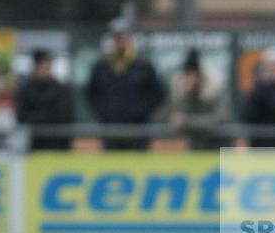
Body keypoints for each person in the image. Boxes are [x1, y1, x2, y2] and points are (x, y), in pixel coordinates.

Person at [86, 18, 165, 150]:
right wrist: (104, 113)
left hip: (138, 130)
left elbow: (157, 94)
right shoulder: (101, 66)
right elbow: (91, 93)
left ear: (130, 39)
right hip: (110, 129)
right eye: (117, 38)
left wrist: (141, 112)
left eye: (123, 37)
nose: (120, 42)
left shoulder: (144, 65)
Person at [169, 49, 227, 150]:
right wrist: (186, 95)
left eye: (193, 75)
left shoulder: (214, 90)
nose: (190, 79)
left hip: (219, 148)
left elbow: (218, 120)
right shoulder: (182, 92)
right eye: (187, 75)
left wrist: (188, 121)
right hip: (197, 150)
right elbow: (176, 119)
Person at [15, 49, 73, 150]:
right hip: (34, 145)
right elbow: (21, 117)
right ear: (35, 67)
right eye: (43, 67)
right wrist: (46, 115)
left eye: (48, 67)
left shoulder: (60, 90)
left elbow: (64, 116)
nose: (46, 70)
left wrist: (39, 116)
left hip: (58, 144)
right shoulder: (25, 90)